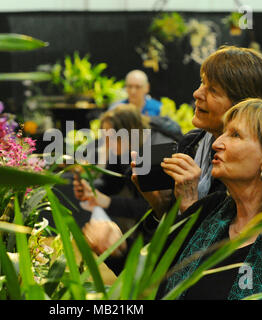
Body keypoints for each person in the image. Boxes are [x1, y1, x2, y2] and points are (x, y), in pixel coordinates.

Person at [83, 45, 262, 260]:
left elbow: (219, 263)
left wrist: (189, 204)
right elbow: (165, 254)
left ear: (245, 105)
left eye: (213, 90)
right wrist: (158, 205)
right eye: (202, 82)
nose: (197, 93)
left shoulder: (249, 169)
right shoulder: (190, 144)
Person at [157, 99, 262, 300]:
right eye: (224, 132)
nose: (217, 144)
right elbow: (153, 275)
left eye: (235, 135)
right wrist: (118, 250)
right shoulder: (209, 209)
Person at [73, 104, 181, 257]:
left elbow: (156, 208)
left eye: (110, 139)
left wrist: (108, 202)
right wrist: (90, 189)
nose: (107, 145)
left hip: (166, 235)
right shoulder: (123, 147)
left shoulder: (157, 151)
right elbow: (111, 181)